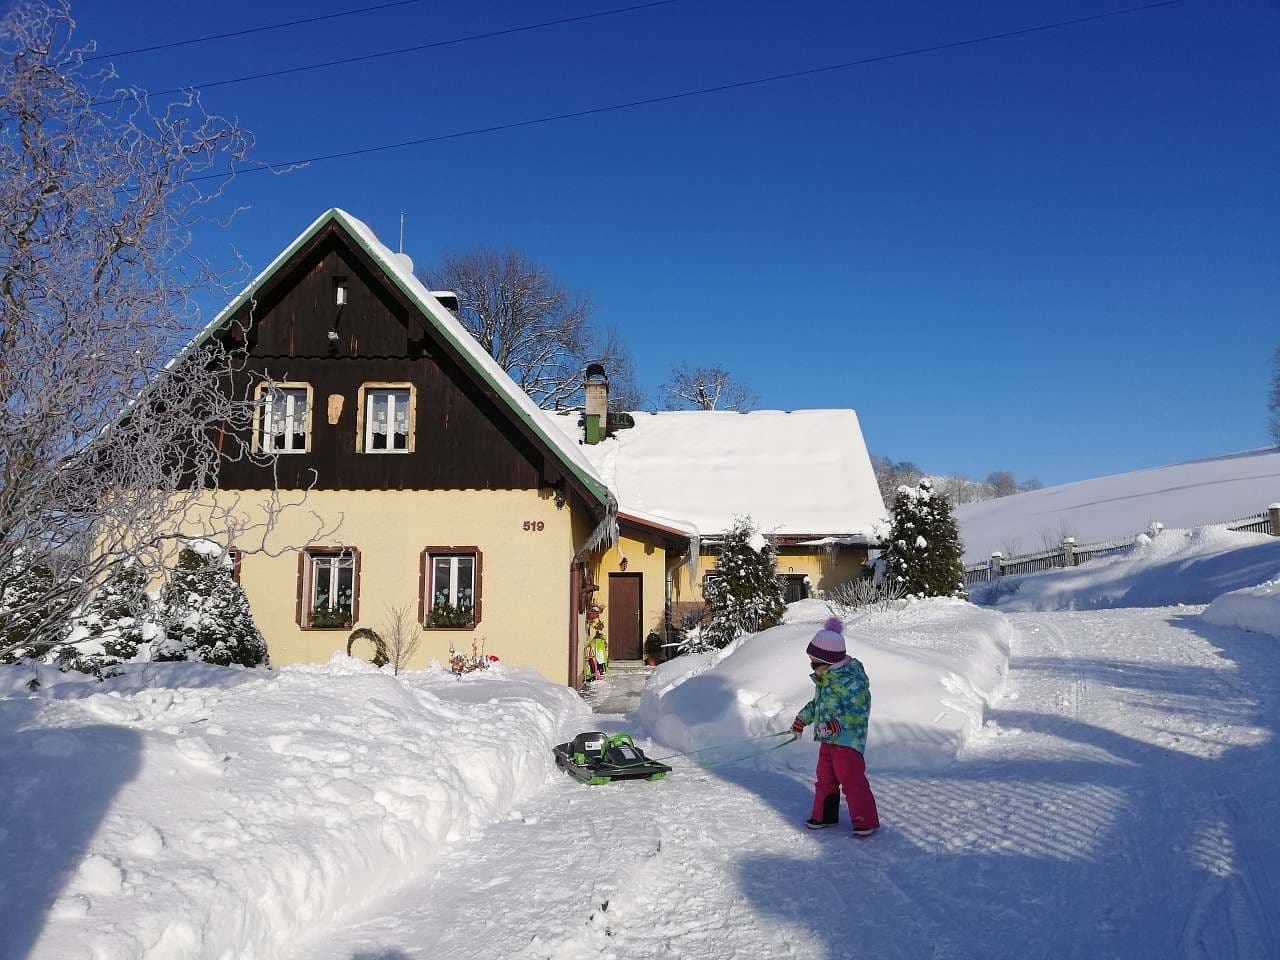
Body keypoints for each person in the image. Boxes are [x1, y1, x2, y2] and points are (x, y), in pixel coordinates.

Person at [791, 616, 880, 837]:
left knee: (852, 780)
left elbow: (858, 709)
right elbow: (818, 704)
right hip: (828, 739)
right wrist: (802, 720)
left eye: (815, 664)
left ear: (830, 661)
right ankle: (825, 815)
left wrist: (834, 725)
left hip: (848, 741)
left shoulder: (851, 680)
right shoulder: (826, 679)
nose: (812, 668)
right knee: (824, 778)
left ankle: (865, 820)